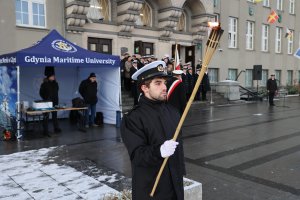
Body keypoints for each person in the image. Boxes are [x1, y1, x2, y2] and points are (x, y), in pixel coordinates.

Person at [121, 61, 185, 200]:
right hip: (151, 190)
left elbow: (178, 149)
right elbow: (137, 156)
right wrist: (159, 151)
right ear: (144, 87)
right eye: (158, 83)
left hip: (175, 187)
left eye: (164, 82)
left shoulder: (173, 111)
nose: (164, 87)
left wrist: (180, 173)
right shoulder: (133, 118)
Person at [39, 68, 61, 137]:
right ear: (49, 77)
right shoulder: (44, 84)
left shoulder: (56, 84)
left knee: (55, 116)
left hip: (55, 102)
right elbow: (41, 92)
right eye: (52, 76)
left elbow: (57, 91)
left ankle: (56, 128)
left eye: (54, 76)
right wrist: (46, 98)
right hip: (47, 103)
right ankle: (45, 130)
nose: (53, 77)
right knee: (46, 117)